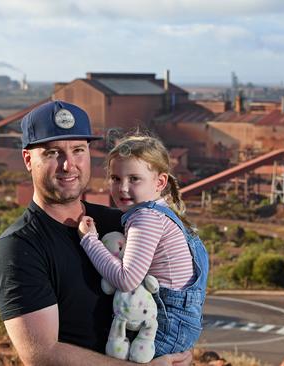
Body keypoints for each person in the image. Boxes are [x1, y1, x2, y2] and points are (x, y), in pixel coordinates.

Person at [0, 100, 192, 366]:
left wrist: (181, 350)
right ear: (28, 159)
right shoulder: (18, 248)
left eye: (78, 150)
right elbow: (42, 355)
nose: (68, 165)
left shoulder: (120, 221)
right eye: (52, 153)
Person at [78, 134, 209, 357]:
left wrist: (89, 240)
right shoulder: (161, 212)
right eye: (116, 179)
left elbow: (127, 279)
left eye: (134, 179)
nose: (123, 188)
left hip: (165, 321)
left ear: (160, 182)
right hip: (178, 320)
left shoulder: (145, 218)